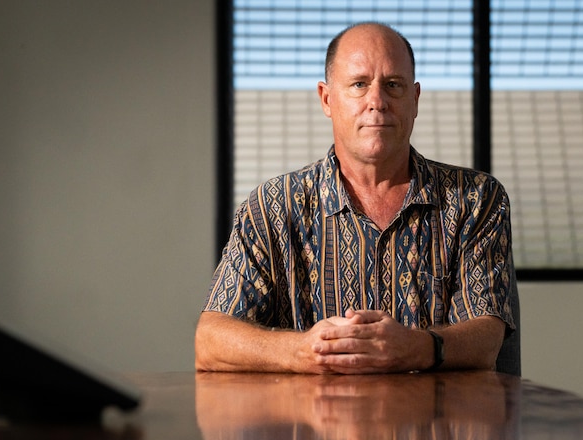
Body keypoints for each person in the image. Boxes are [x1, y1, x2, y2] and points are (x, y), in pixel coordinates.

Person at [195, 22, 515, 374]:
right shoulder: (273, 205)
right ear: (327, 99)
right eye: (359, 85)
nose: (377, 102)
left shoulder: (475, 199)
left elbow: (487, 338)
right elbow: (211, 340)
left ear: (415, 99)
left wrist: (418, 347)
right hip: (309, 425)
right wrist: (301, 350)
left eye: (393, 85)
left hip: (434, 424)